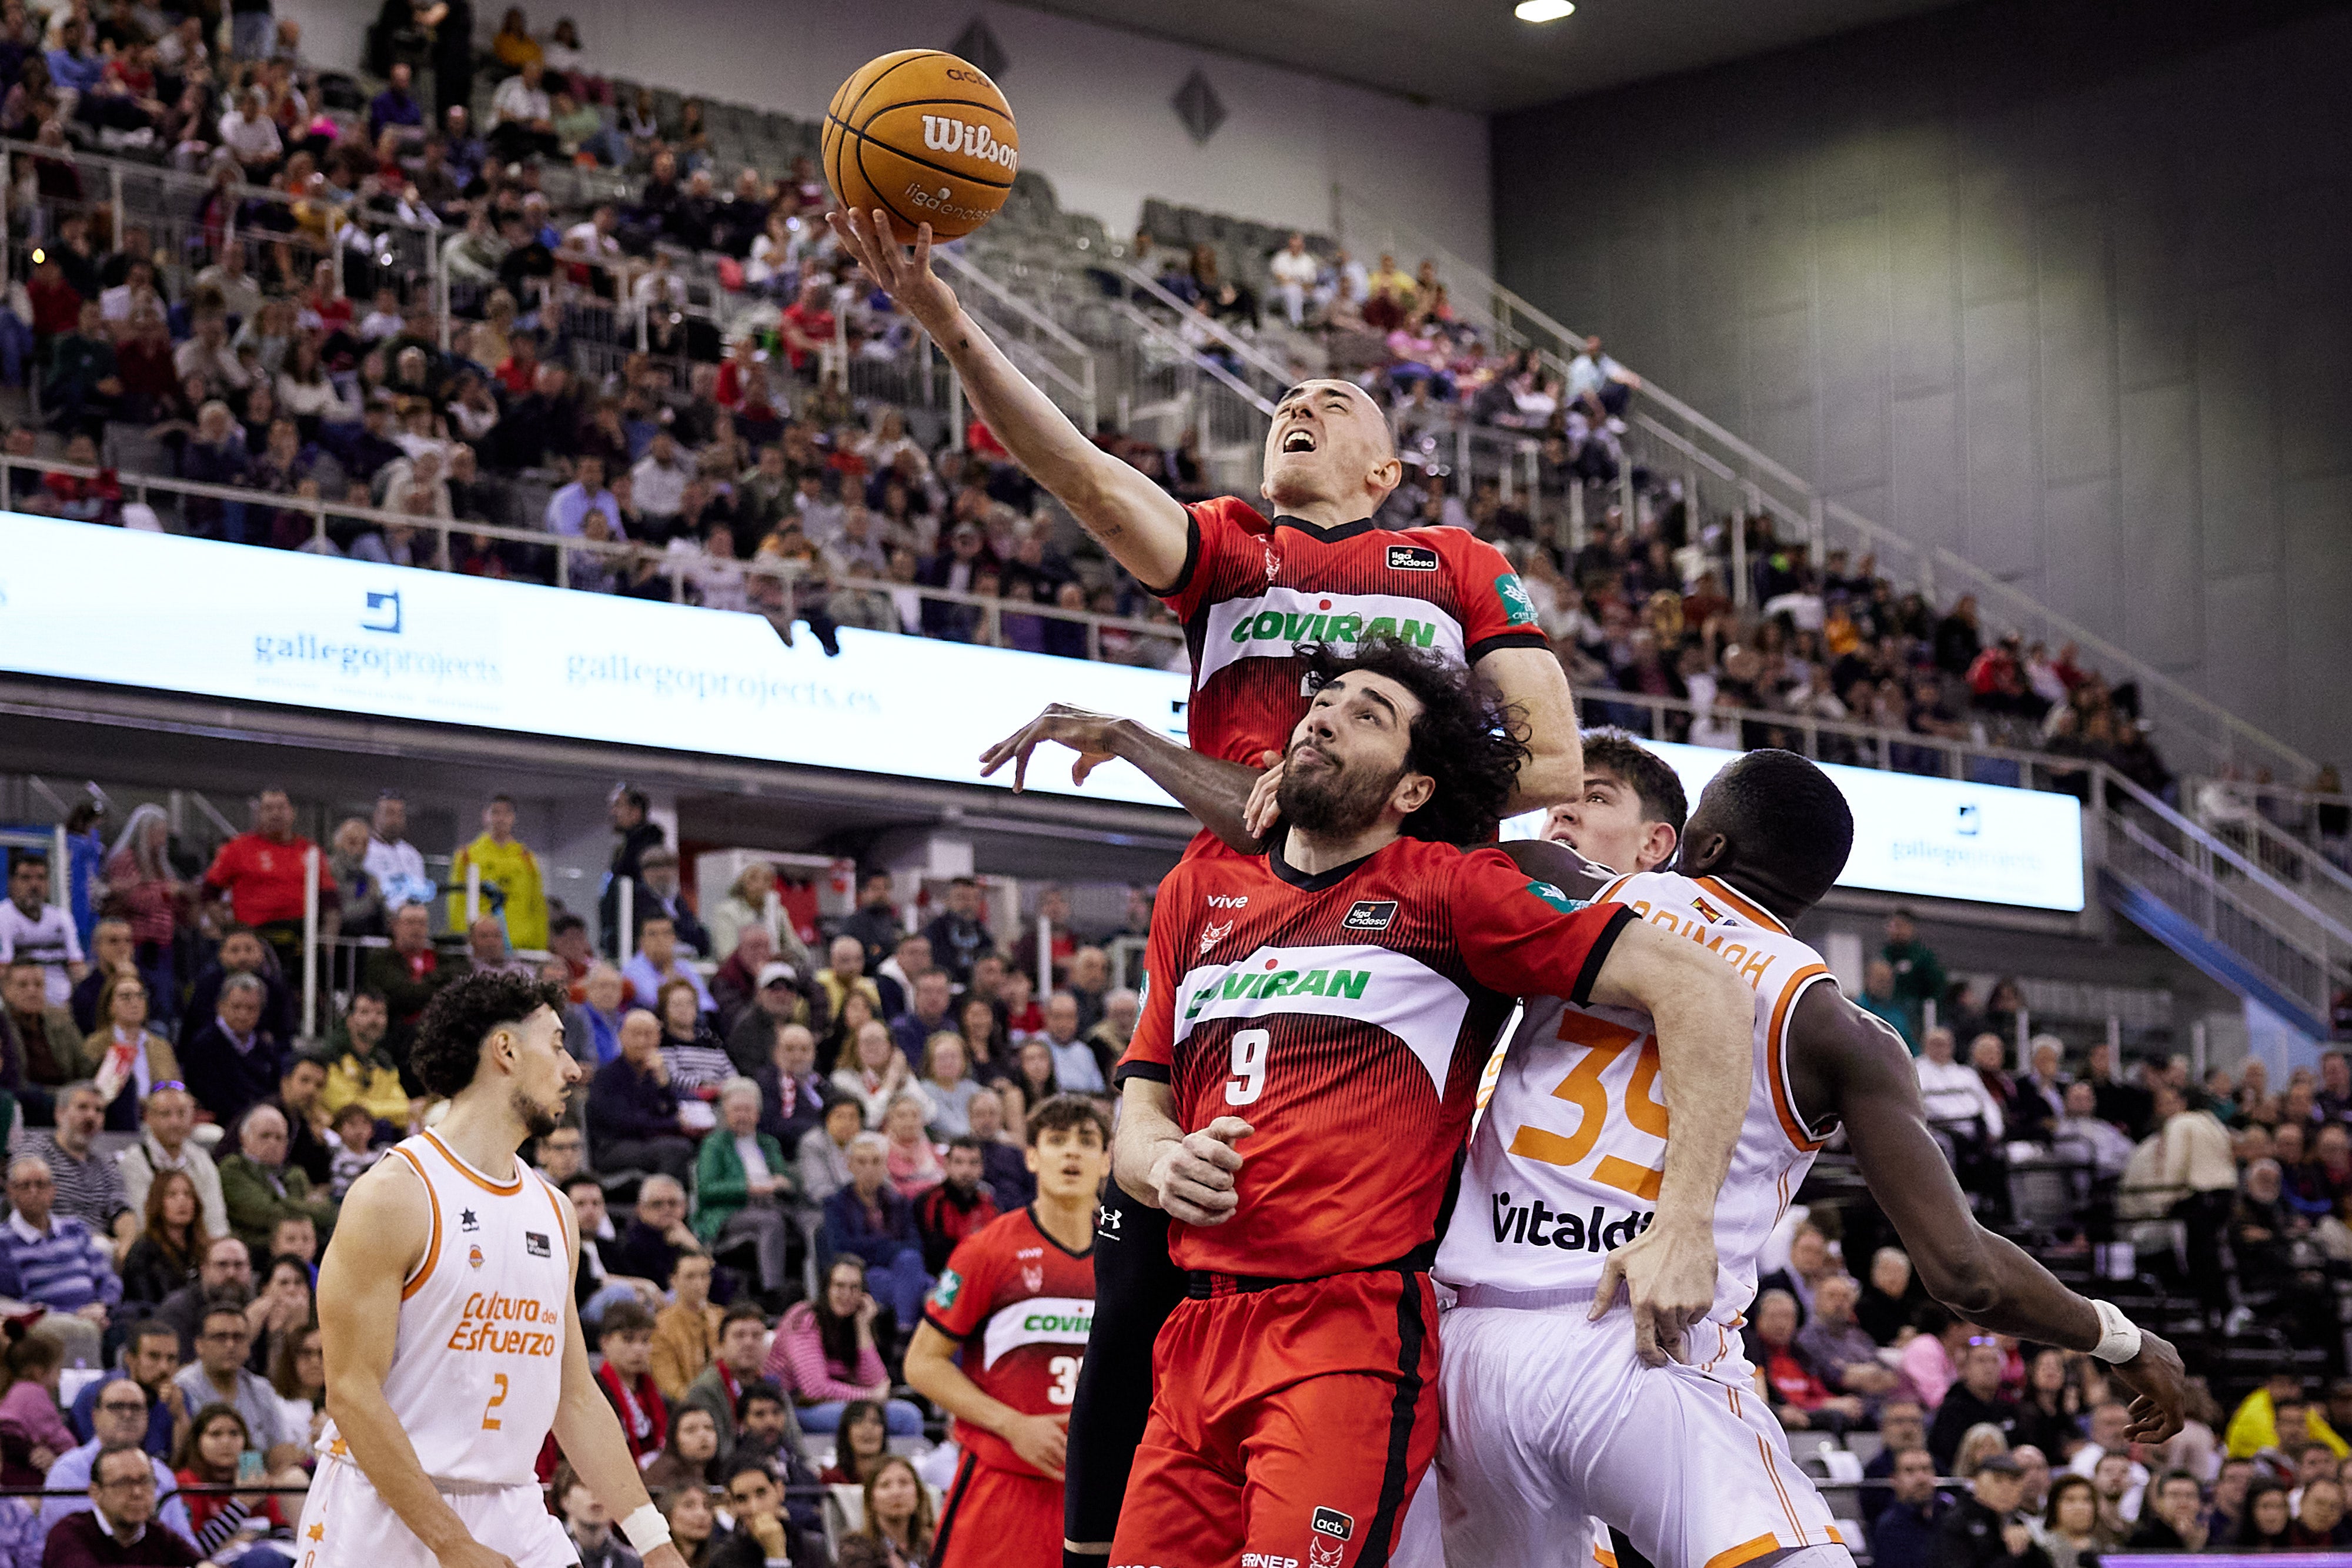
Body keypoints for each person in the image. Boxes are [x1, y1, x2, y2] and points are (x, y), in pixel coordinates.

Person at [1053, 641, 1754, 1568]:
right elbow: (1140, 1112)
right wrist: (1161, 1162)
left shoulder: (1454, 889)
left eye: (1368, 713)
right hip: (1194, 1336)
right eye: (1326, 699)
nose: (1326, 714)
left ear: (1414, 791)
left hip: (1345, 1332)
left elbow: (1706, 990)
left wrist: (1686, 1221)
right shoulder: (1198, 890)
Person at [300, 968, 689, 1568]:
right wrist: (453, 1544)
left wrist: (656, 1544)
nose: (573, 1069)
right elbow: (351, 1393)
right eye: (557, 1045)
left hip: (513, 1503)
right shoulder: (396, 1194)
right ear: (505, 1050)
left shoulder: (555, 1211)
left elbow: (575, 1397)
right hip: (385, 1510)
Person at [906, 1095, 1109, 1567]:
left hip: (1104, 1491)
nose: (1072, 1153)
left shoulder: (1134, 1255)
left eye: (1086, 1141)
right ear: (1033, 1157)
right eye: (1057, 1141)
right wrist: (1012, 1424)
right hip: (1003, 1484)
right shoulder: (987, 1251)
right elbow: (921, 1363)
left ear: (1107, 1160)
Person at [765, 1257, 915, 1435]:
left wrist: (863, 1328)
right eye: (839, 1286)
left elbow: (876, 1382)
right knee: (904, 1417)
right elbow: (815, 1390)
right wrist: (869, 1397)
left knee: (908, 1415)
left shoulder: (853, 1323)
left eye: (854, 1288)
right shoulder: (804, 1318)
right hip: (791, 1409)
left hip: (836, 1405)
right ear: (826, 1289)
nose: (847, 1295)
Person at [0, 1155, 119, 1368]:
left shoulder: (75, 1229)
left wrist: (102, 1306)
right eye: (25, 1186)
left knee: (134, 1323)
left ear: (53, 1191)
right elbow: (19, 1304)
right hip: (53, 1319)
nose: (34, 1192)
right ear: (11, 1192)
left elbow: (107, 1279)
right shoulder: (4, 1241)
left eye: (41, 1185)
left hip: (98, 1311)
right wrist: (75, 1315)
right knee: (84, 1331)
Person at [44, 1374, 192, 1542]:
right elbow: (69, 1542)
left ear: (147, 1417)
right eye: (116, 1406)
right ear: (95, 1417)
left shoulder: (162, 1474)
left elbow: (185, 1542)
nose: (128, 1414)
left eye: (136, 1407)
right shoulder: (68, 1471)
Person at [171, 1304, 305, 1478]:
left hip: (253, 1478)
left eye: (239, 1337)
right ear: (199, 1345)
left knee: (294, 1478)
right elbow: (182, 1454)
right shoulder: (182, 1387)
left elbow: (280, 1450)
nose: (230, 1345)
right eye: (220, 1337)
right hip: (201, 1483)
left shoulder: (261, 1389)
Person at [691, 1078, 796, 1300]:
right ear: (725, 1113)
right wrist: (749, 1188)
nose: (742, 1116)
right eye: (736, 1110)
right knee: (770, 1222)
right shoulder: (715, 1145)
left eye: (748, 1110)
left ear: (757, 1114)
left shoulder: (768, 1144)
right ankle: (773, 1292)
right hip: (731, 1211)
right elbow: (707, 1190)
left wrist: (784, 1183)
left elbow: (784, 1178)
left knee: (809, 1222)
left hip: (772, 1204)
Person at [823, 1134, 931, 1332]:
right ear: (850, 1165)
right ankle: (907, 1333)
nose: (869, 1169)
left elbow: (916, 1245)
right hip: (863, 1273)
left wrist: (875, 1246)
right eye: (861, 1162)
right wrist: (889, 1247)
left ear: (885, 1165)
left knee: (917, 1269)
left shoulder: (899, 1202)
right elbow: (842, 1248)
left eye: (876, 1162)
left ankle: (904, 1329)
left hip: (903, 1270)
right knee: (899, 1280)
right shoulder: (836, 1204)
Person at [44, 1442, 201, 1567]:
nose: (138, 1492)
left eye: (145, 1481)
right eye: (124, 1483)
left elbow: (202, 1564)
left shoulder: (158, 1534)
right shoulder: (69, 1532)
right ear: (96, 1493)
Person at [586, 1010, 696, 1185]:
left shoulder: (655, 1073)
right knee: (675, 1150)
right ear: (622, 1037)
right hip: (612, 1147)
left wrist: (663, 1084)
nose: (642, 1041)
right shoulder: (606, 1076)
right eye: (636, 1034)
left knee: (686, 1147)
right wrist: (672, 1124)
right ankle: (662, 1202)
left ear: (658, 1038)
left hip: (648, 1143)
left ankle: (674, 1204)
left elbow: (671, 1110)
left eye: (649, 1034)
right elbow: (626, 1122)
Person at [216, 1104, 335, 1255]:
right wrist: (307, 1208)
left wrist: (280, 1203)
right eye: (265, 1136)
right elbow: (263, 1213)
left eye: (279, 1138)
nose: (273, 1143)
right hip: (255, 1252)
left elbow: (327, 1214)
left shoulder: (295, 1173)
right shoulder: (234, 1168)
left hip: (305, 1253)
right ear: (244, 1138)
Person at [171, 1402, 286, 1556]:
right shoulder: (186, 1482)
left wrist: (253, 1540)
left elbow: (284, 1536)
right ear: (198, 1441)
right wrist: (241, 1504)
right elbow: (192, 1551)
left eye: (234, 1434)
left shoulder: (254, 1476)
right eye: (216, 1434)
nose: (226, 1442)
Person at [446, 795, 547, 952]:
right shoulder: (468, 856)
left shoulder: (526, 859)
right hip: (481, 947)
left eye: (506, 813)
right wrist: (465, 939)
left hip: (520, 946)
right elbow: (456, 904)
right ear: (485, 816)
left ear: (513, 818)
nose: (501, 819)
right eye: (495, 813)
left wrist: (540, 947)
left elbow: (537, 905)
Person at [81, 973, 176, 1133]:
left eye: (140, 996)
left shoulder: (161, 1046)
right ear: (110, 1006)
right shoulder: (95, 1045)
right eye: (126, 997)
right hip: (115, 1120)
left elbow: (176, 1085)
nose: (135, 1002)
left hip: (161, 1117)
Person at [677, 1305, 776, 1456]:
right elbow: (719, 1454)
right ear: (720, 1346)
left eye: (756, 1336)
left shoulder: (772, 1387)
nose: (748, 1343)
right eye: (739, 1336)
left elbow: (795, 1445)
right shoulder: (705, 1390)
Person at [1934, 1452, 2051, 1568]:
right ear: (1977, 1482)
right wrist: (2015, 1555)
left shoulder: (2018, 1522)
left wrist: (2030, 1546)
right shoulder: (1958, 1522)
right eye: (1998, 1480)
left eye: (2013, 1480)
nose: (2006, 1488)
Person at [0, 854, 86, 1007]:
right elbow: (3, 972)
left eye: (41, 878)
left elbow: (77, 968)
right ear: (12, 883)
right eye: (26, 878)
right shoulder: (3, 917)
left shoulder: (62, 918)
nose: (34, 885)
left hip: (63, 1006)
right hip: (20, 1006)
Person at [1932, 1341, 2023, 1473]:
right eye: (1981, 1361)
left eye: (1994, 1361)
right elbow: (1943, 1455)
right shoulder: (1951, 1410)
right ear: (1965, 1368)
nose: (1989, 1367)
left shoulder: (2009, 1409)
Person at [118, 1171, 205, 1308]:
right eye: (172, 1195)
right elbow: (144, 1304)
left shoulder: (204, 1250)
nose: (182, 1201)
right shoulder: (143, 1252)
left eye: (188, 1195)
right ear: (158, 1202)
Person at [648, 1250, 722, 1404]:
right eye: (690, 1276)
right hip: (686, 1407)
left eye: (704, 1276)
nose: (699, 1284)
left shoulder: (723, 1318)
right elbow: (669, 1384)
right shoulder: (661, 1326)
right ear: (674, 1281)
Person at [1872, 1447, 1949, 1567]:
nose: (1921, 1479)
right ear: (1894, 1479)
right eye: (1910, 1471)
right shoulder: (1889, 1528)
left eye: (1926, 1469)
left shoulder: (1950, 1518)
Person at [637, 1405, 721, 1497]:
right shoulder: (664, 1474)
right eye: (691, 1430)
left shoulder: (715, 1471)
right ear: (674, 1438)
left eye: (708, 1428)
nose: (703, 1436)